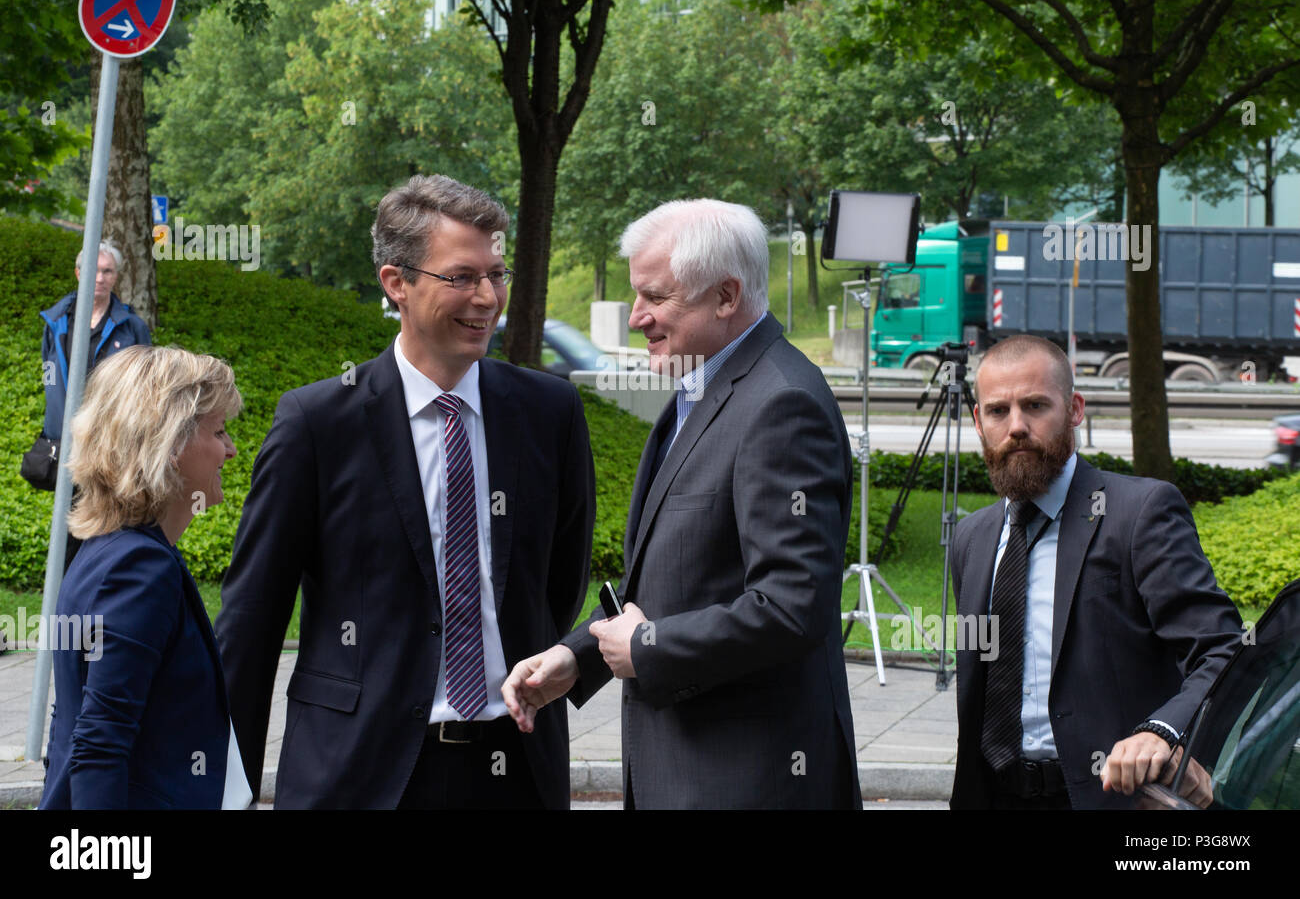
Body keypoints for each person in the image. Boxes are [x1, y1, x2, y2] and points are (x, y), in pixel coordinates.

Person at [216, 175, 596, 809]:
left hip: (515, 769)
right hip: (359, 774)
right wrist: (227, 791)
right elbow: (252, 622)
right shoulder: (319, 422)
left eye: (497, 274)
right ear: (397, 283)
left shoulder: (548, 411)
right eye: (462, 277)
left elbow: (559, 585)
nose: (487, 297)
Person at [503, 199, 861, 809]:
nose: (637, 316)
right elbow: (678, 580)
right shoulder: (701, 387)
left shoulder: (781, 404)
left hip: (747, 784)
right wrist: (577, 655)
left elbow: (793, 607)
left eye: (656, 297)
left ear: (726, 296)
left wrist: (645, 650)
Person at [949, 334, 1243, 809]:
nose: (1017, 426)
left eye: (1036, 405)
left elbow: (1221, 648)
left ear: (1075, 408)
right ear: (979, 421)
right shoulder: (971, 539)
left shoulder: (1140, 512)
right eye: (999, 411)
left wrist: (1161, 732)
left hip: (1108, 799)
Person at [40, 345, 248, 809]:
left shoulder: (104, 551)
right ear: (171, 444)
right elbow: (99, 745)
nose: (230, 451)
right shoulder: (140, 568)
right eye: (219, 431)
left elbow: (69, 724)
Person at [34, 242, 151, 567]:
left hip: (110, 448)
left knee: (105, 527)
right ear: (78, 273)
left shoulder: (131, 328)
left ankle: (98, 595)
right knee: (68, 529)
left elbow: (144, 391)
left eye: (107, 271)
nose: (98, 278)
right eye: (92, 271)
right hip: (68, 446)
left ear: (116, 277)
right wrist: (52, 432)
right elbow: (50, 379)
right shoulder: (57, 321)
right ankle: (64, 603)